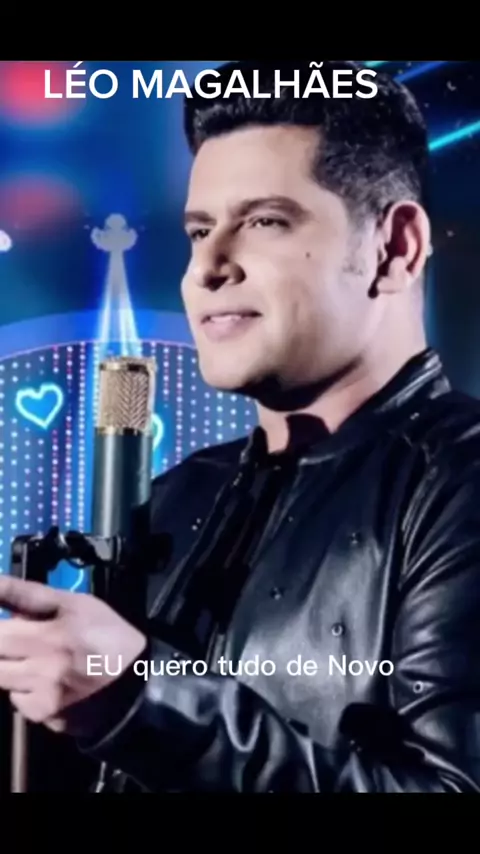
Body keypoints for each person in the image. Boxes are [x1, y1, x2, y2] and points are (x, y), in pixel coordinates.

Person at [0, 58, 480, 793]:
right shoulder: (173, 497)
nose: (208, 268)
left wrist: (141, 703)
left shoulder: (458, 484)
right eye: (199, 230)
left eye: (264, 222)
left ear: (396, 247)